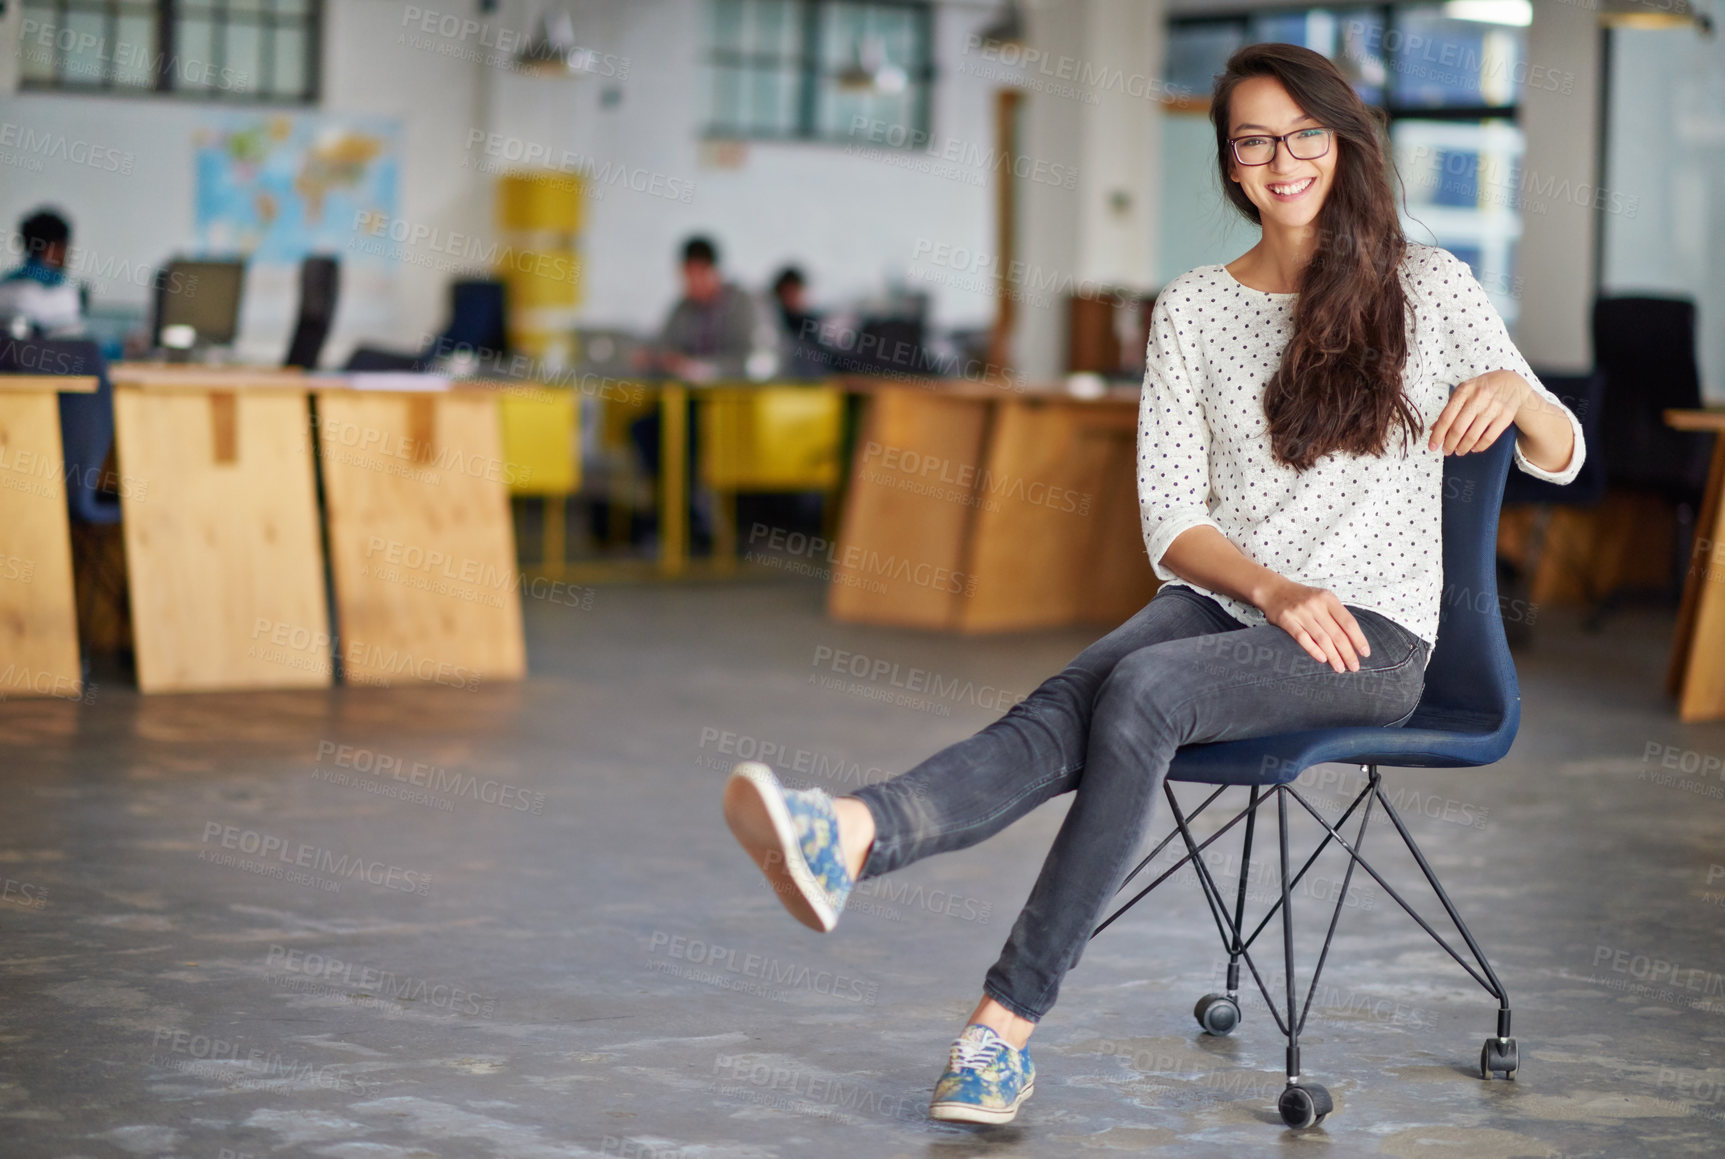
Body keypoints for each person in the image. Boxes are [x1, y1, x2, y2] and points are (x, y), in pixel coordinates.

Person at [721, 41, 1585, 1126]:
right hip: (1231, 603)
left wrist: (1513, 386)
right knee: (1068, 704)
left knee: (1146, 693)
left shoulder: (1429, 284)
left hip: (1377, 642)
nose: (1284, 160)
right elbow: (1173, 525)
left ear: (1342, 142)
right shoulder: (1191, 309)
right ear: (1230, 163)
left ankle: (1000, 1031)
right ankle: (848, 833)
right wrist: (1270, 589)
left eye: (1304, 135)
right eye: (1255, 141)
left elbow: (1563, 449)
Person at [0, 208, 83, 337]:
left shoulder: (5, 286)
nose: (68, 255)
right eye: (65, 247)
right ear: (53, 248)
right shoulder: (63, 293)